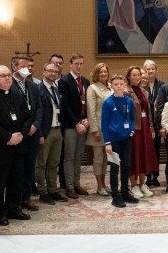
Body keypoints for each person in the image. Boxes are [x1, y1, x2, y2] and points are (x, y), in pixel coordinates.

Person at [0, 65, 32, 226]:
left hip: (18, 145)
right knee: (0, 181)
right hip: (0, 147)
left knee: (16, 180)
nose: (8, 78)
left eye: (9, 75)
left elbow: (28, 118)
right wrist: (8, 137)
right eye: (3, 76)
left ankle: (14, 209)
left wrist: (20, 135)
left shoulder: (18, 95)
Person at [101, 74, 139, 208]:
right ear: (112, 86)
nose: (118, 87)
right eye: (116, 84)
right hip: (113, 140)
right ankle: (115, 195)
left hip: (126, 138)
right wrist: (107, 142)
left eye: (121, 84)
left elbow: (133, 118)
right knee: (115, 167)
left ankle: (124, 192)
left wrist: (132, 131)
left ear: (124, 85)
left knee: (127, 165)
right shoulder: (108, 102)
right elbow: (104, 124)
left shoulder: (129, 101)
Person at [11, 56, 43, 211]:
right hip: (18, 134)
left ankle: (26, 198)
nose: (27, 69)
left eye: (29, 67)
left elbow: (39, 108)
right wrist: (25, 128)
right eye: (23, 66)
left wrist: (36, 125)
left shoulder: (32, 85)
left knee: (30, 166)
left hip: (33, 133)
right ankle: (14, 200)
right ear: (14, 68)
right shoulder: (9, 85)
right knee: (17, 169)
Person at [59, 54, 91, 197]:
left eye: (81, 63)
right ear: (70, 65)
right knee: (69, 157)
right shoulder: (64, 81)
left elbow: (87, 103)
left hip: (83, 124)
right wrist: (76, 123)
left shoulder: (85, 81)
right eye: (76, 63)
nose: (79, 66)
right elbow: (64, 105)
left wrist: (86, 120)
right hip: (71, 125)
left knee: (79, 156)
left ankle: (77, 184)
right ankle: (69, 186)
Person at [125, 66, 158, 198]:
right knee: (134, 156)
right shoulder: (126, 91)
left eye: (138, 75)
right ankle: (133, 185)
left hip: (144, 127)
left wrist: (151, 127)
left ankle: (143, 184)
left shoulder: (144, 91)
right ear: (129, 77)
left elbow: (148, 111)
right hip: (133, 128)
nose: (137, 77)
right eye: (134, 75)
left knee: (144, 155)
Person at [36, 62, 66, 205]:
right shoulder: (38, 89)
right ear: (44, 71)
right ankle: (43, 192)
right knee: (41, 163)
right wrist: (40, 134)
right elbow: (37, 113)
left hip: (57, 130)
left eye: (56, 71)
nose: (53, 73)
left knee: (54, 163)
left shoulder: (56, 88)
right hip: (45, 132)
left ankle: (53, 190)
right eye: (50, 71)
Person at [87, 62, 113, 196]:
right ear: (96, 74)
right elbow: (91, 111)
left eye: (105, 71)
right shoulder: (92, 88)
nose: (104, 74)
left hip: (110, 129)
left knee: (106, 159)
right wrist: (95, 129)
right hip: (98, 129)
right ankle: (99, 186)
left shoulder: (110, 88)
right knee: (98, 158)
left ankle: (104, 183)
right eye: (101, 72)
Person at [143, 59, 163, 188]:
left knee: (156, 151)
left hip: (157, 122)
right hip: (145, 123)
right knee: (146, 151)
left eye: (152, 68)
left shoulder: (162, 85)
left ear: (156, 70)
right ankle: (147, 177)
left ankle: (155, 177)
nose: (150, 71)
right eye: (148, 69)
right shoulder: (141, 85)